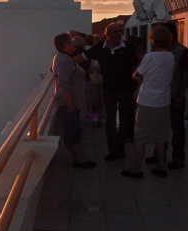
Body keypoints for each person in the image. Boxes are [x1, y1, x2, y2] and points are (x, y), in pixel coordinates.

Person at [122, 26, 174, 179]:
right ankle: (162, 166)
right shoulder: (170, 56)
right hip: (164, 101)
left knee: (140, 136)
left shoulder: (150, 57)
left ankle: (137, 169)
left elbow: (136, 76)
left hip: (147, 100)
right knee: (161, 135)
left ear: (153, 40)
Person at [84, 23, 139, 161]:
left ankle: (120, 149)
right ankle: (113, 150)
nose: (119, 34)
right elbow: (81, 58)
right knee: (110, 120)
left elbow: (138, 65)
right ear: (107, 34)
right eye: (116, 31)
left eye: (120, 31)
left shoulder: (129, 49)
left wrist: (136, 84)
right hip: (108, 90)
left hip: (126, 89)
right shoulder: (100, 48)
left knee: (125, 119)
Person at [146, 21, 188, 169]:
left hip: (174, 96)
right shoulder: (158, 51)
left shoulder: (182, 51)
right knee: (159, 127)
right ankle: (158, 155)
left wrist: (180, 95)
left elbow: (185, 75)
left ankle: (178, 157)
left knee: (177, 127)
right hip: (160, 97)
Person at [51, 33, 96, 169]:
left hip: (73, 102)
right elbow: (63, 83)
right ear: (65, 44)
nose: (73, 44)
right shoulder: (64, 60)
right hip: (70, 103)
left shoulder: (62, 58)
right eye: (70, 41)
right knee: (72, 132)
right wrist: (70, 102)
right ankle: (79, 160)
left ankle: (80, 158)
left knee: (75, 131)